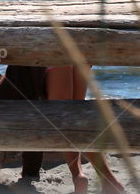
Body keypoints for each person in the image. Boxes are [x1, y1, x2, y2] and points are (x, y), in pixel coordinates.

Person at [46, 65, 124, 194]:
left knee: (64, 118)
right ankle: (108, 179)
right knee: (76, 116)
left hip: (53, 55)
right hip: (80, 52)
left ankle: (78, 176)